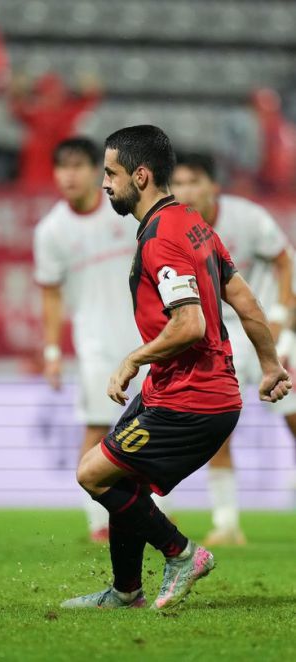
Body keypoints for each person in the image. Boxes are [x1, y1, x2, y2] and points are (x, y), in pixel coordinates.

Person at [61, 125, 291, 611]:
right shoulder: (192, 223)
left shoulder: (161, 237)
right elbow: (244, 297)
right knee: (123, 478)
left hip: (190, 399)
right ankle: (126, 592)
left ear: (140, 176)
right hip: (193, 389)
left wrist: (133, 358)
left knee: (93, 475)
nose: (104, 184)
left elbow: (190, 324)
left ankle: (181, 553)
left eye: (111, 173)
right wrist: (270, 365)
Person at [171, 152, 296, 545]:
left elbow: (284, 262)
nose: (186, 191)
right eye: (178, 183)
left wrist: (281, 315)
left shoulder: (247, 218)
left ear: (213, 186)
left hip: (265, 328)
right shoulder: (172, 230)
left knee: (293, 418)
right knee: (219, 424)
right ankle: (227, 524)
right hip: (218, 336)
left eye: (193, 181)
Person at [33, 137, 142, 542]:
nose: (70, 175)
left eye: (78, 166)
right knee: (96, 428)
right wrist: (51, 351)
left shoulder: (125, 211)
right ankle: (98, 523)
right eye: (62, 167)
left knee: (151, 430)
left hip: (145, 341)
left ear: (97, 171)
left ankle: (155, 516)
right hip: (95, 344)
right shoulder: (51, 231)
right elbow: (50, 294)